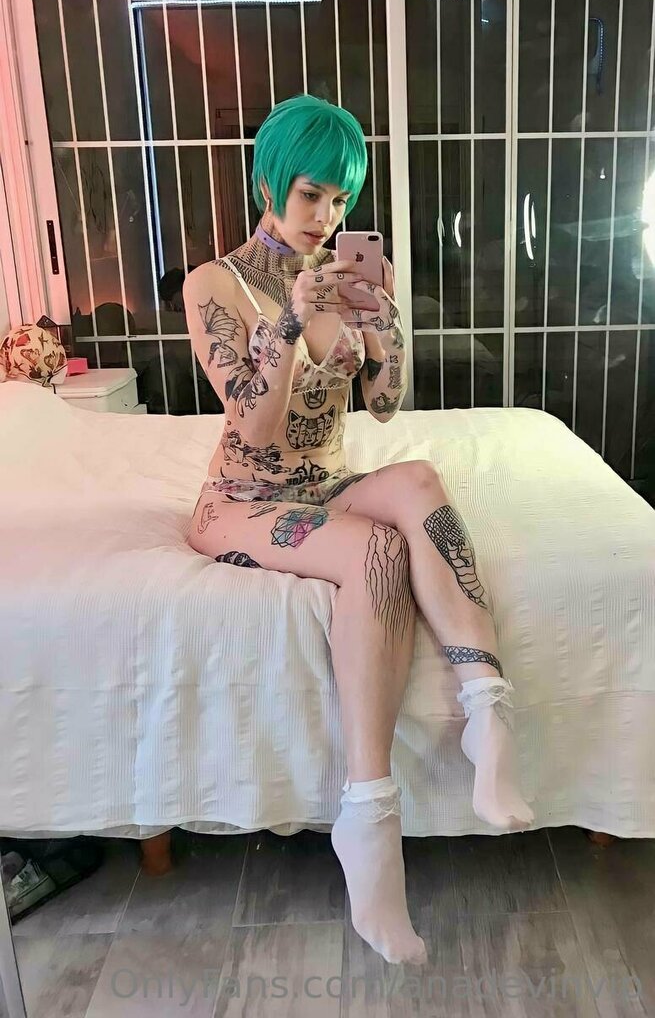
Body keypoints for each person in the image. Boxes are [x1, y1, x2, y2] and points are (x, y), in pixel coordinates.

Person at [184, 94, 533, 967]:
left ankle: (487, 712)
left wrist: (382, 329)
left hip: (325, 484)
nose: (325, 216)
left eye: (340, 199)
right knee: (377, 549)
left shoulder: (339, 275)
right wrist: (291, 319)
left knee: (417, 478)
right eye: (310, 194)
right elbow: (254, 422)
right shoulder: (214, 284)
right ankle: (369, 817)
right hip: (243, 499)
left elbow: (381, 409)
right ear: (268, 183)